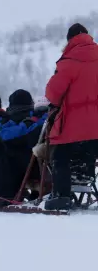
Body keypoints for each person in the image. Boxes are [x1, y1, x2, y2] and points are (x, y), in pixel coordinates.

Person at [44, 23, 98, 211]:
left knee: (60, 155)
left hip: (72, 123)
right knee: (89, 151)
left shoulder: (68, 62)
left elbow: (53, 94)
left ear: (70, 40)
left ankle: (61, 195)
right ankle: (85, 176)